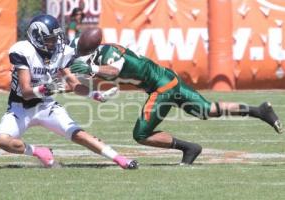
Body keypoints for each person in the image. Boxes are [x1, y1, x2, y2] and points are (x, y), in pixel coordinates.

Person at [69, 27, 283, 165]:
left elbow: (113, 71)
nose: (79, 55)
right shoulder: (95, 49)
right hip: (168, 78)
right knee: (207, 110)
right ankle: (259, 111)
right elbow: (77, 57)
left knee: (141, 134)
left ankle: (188, 147)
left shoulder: (110, 55)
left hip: (161, 87)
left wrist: (93, 70)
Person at [0, 15, 138, 169]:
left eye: (56, 37)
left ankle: (121, 160)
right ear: (36, 37)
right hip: (19, 107)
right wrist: (46, 88)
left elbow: (74, 84)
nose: (55, 42)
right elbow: (26, 91)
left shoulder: (60, 52)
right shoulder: (23, 51)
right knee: (2, 140)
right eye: (50, 38)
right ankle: (39, 151)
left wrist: (95, 95)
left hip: (45, 106)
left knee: (77, 133)